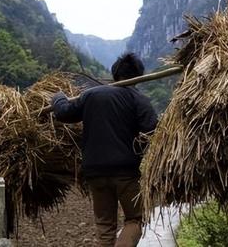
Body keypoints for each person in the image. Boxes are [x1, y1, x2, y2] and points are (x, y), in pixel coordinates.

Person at [52, 52, 158, 247]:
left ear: (115, 74)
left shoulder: (91, 95)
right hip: (125, 172)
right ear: (139, 76)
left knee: (105, 225)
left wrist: (58, 98)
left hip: (95, 172)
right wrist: (138, 150)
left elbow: (63, 112)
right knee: (135, 219)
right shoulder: (139, 100)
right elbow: (153, 130)